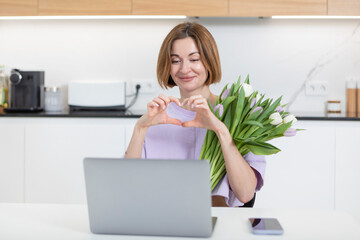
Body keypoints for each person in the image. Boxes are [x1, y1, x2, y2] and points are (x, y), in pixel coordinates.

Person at [125, 22, 266, 207]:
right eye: (175, 61)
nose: (184, 69)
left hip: (220, 223)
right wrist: (140, 128)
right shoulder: (158, 116)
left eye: (194, 59)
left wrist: (220, 130)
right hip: (164, 220)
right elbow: (127, 186)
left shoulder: (238, 115)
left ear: (209, 61)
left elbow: (246, 193)